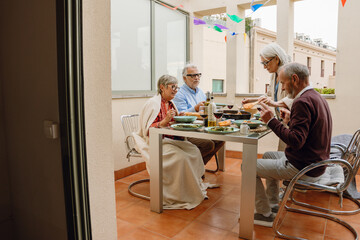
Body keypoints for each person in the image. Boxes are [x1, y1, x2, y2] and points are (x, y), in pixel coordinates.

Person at [253, 62, 332, 227]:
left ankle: (263, 213)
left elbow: (296, 141)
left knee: (248, 166)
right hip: (316, 162)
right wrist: (289, 122)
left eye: (283, 82)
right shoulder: (317, 97)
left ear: (294, 79)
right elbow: (304, 135)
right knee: (268, 155)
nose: (282, 88)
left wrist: (271, 121)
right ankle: (273, 205)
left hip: (303, 166)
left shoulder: (301, 102)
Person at [133, 75, 216, 210]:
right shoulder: (153, 104)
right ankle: (178, 194)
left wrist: (179, 118)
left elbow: (172, 123)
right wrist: (164, 122)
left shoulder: (171, 103)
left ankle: (190, 187)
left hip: (170, 140)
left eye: (177, 87)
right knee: (181, 157)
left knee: (194, 151)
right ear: (162, 87)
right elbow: (148, 131)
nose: (176, 90)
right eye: (173, 87)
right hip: (157, 143)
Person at [242, 43, 293, 151]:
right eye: (262, 63)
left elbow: (291, 99)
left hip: (290, 122)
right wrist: (252, 100)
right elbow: (270, 95)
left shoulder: (288, 74)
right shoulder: (274, 75)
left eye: (266, 62)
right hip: (282, 121)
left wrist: (273, 104)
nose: (264, 66)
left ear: (277, 59)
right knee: (281, 154)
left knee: (285, 156)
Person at [173, 63, 224, 165]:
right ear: (184, 78)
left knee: (221, 139)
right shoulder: (179, 94)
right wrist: (195, 108)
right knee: (208, 144)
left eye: (198, 75)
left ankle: (197, 168)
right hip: (187, 130)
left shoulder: (200, 92)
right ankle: (192, 168)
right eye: (192, 75)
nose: (196, 78)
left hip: (201, 128)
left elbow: (205, 111)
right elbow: (181, 115)